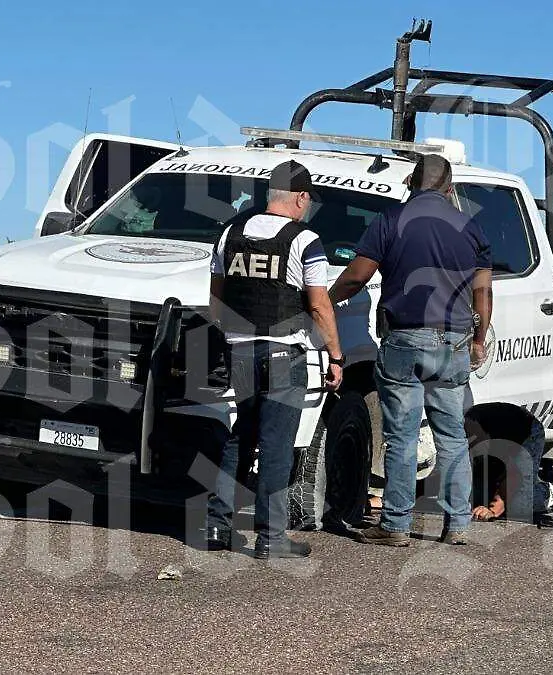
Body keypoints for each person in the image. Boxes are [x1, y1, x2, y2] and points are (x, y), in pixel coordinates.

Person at [329, 154, 489, 546]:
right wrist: (480, 337)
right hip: (454, 341)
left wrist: (327, 300)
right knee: (451, 435)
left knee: (401, 436)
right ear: (449, 188)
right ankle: (457, 525)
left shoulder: (390, 220)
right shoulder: (470, 228)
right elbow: (483, 291)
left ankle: (396, 524)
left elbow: (358, 274)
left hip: (404, 339)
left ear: (411, 182)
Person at [205, 160, 345, 559]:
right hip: (285, 353)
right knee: (277, 446)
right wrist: (335, 355)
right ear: (300, 197)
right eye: (307, 200)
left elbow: (216, 301)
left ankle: (217, 525)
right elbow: (319, 305)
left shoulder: (229, 234)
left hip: (241, 351)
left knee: (241, 436)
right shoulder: (305, 240)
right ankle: (271, 538)